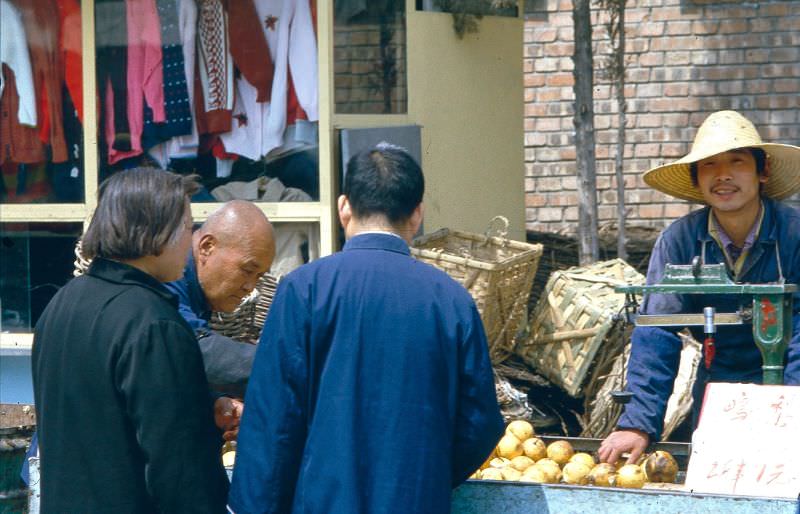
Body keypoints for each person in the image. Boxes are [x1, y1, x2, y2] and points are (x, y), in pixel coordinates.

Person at [228, 143, 504, 514]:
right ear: (417, 214)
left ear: (344, 207)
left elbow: (272, 423)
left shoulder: (304, 289)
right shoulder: (452, 301)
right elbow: (480, 423)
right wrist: (427, 474)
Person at [598, 110, 800, 465]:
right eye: (709, 165)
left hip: (790, 380)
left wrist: (788, 408)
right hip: (718, 390)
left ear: (762, 170)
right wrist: (639, 424)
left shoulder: (793, 235)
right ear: (696, 178)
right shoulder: (678, 241)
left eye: (737, 162)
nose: (723, 175)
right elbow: (657, 332)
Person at [32, 168, 229, 513]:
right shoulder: (153, 322)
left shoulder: (63, 302)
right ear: (155, 232)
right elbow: (181, 470)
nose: (191, 240)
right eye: (187, 226)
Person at [165, 200, 276, 402]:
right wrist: (290, 365)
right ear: (207, 246)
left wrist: (217, 401)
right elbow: (192, 351)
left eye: (259, 276)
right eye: (247, 270)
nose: (250, 286)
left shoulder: (197, 285)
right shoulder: (168, 275)